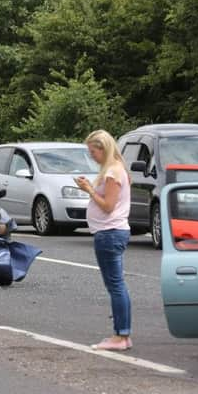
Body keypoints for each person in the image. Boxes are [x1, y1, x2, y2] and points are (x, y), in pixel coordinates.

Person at [75, 129, 132, 351]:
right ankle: (123, 334)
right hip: (112, 232)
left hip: (110, 232)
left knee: (115, 285)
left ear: (103, 148)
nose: (92, 156)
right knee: (116, 284)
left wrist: (89, 189)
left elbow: (108, 206)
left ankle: (121, 336)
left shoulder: (113, 172)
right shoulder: (115, 169)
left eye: (92, 152)